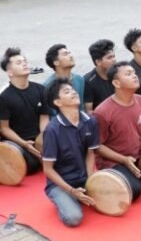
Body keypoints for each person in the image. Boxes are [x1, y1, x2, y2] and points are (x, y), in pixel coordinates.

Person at [41, 78, 99, 227]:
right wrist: (72, 191)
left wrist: (91, 181)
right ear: (58, 102)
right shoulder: (52, 130)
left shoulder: (90, 121)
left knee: (112, 196)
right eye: (67, 91)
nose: (73, 92)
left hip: (82, 177)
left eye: (73, 90)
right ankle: (62, 197)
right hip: (60, 183)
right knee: (74, 218)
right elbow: (47, 169)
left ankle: (77, 195)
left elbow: (90, 154)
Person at [92, 62, 141, 199]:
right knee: (134, 190)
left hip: (137, 156)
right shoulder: (102, 111)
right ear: (116, 83)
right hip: (113, 161)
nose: (135, 76)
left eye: (134, 73)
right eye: (128, 74)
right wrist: (124, 159)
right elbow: (98, 146)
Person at [0, 48, 49, 175]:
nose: (25, 64)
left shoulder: (40, 89)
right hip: (18, 142)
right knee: (30, 164)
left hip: (39, 138)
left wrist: (43, 136)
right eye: (19, 63)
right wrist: (24, 144)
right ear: (10, 72)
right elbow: (4, 128)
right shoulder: (4, 96)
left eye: (25, 61)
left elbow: (44, 117)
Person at [44, 44, 85, 115]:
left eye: (69, 53)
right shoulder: (47, 85)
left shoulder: (79, 79)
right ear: (56, 62)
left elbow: (81, 107)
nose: (71, 56)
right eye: (65, 54)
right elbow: (52, 113)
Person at [83, 39, 116, 113]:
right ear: (98, 62)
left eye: (114, 56)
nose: (114, 60)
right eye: (109, 58)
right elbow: (89, 111)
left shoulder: (118, 74)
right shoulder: (88, 81)